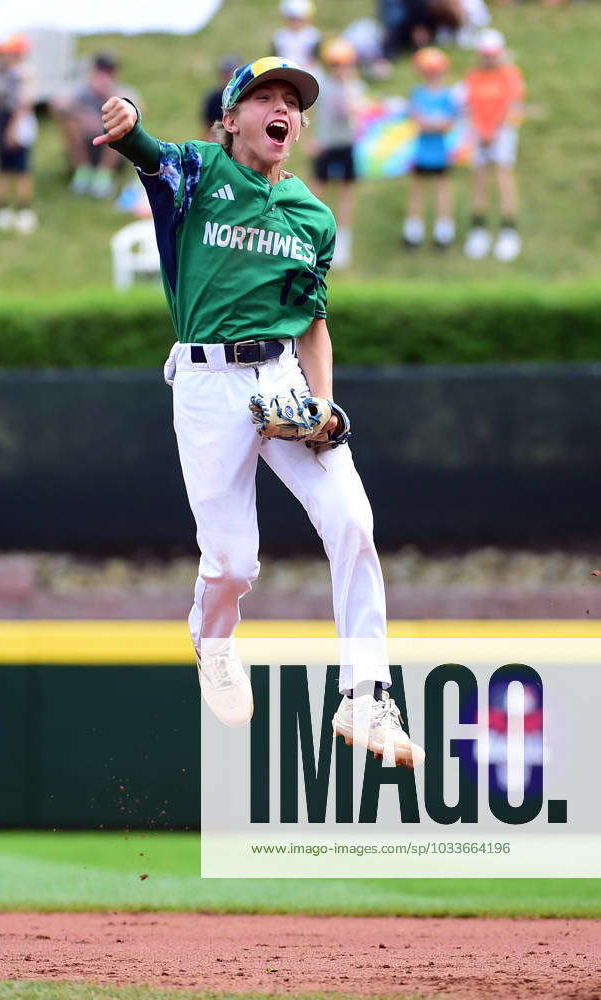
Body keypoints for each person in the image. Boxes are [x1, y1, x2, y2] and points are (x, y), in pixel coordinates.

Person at [94, 56, 424, 768]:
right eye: (265, 96)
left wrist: (323, 402)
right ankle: (212, 641)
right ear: (231, 118)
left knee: (353, 523)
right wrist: (124, 121)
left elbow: (311, 320)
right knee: (235, 564)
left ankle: (366, 696)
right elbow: (143, 149)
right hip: (207, 383)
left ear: (299, 127)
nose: (283, 107)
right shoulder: (196, 172)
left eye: (292, 101)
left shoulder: (312, 214)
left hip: (279, 374)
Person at [463, 28, 524, 261]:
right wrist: (480, 130)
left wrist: (496, 131)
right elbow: (470, 106)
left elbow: (513, 105)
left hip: (502, 133)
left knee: (502, 176)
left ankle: (509, 230)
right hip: (479, 132)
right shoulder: (474, 76)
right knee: (479, 179)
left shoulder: (510, 74)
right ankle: (479, 229)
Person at [52, 52, 140, 198]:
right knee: (69, 122)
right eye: (101, 70)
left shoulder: (123, 91)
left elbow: (138, 111)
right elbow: (57, 105)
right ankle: (83, 171)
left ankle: (103, 175)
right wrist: (83, 115)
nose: (104, 75)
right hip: (87, 144)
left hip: (114, 149)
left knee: (119, 125)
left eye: (109, 71)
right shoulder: (81, 91)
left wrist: (110, 95)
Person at [311, 38, 366, 269]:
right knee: (317, 191)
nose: (338, 68)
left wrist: (348, 87)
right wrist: (309, 139)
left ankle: (343, 241)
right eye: (334, 63)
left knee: (346, 194)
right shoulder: (322, 85)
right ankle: (313, 236)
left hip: (346, 144)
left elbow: (356, 112)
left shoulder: (355, 86)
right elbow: (313, 112)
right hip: (326, 144)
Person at [403, 46, 459, 249]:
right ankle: (413, 229)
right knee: (417, 187)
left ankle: (443, 229)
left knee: (441, 187)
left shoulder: (447, 94)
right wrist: (434, 123)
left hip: (440, 150)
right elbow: (417, 120)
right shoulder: (418, 93)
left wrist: (431, 123)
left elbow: (448, 123)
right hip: (421, 149)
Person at [0, 35, 38, 234]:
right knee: (3, 165)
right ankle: (1, 207)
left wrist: (12, 128)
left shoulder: (24, 73)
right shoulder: (1, 71)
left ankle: (23, 208)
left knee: (21, 166)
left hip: (18, 121)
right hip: (3, 118)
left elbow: (24, 103)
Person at [272, 0, 321, 71]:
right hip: (285, 71)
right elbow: (275, 58)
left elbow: (315, 58)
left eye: (299, 19)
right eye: (293, 18)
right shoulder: (279, 36)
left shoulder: (313, 36)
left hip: (309, 71)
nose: (296, 22)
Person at [200, 55, 241, 141]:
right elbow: (206, 129)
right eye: (226, 74)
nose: (229, 78)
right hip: (218, 139)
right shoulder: (214, 99)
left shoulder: (245, 96)